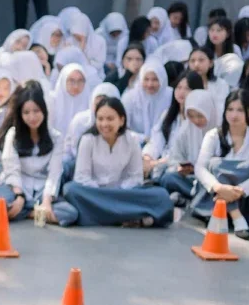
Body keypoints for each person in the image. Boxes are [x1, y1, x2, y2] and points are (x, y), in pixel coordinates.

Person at [0, 83, 78, 225]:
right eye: (26, 112)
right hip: (17, 186)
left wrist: (46, 201)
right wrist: (19, 196)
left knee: (70, 213)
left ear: (44, 110)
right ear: (20, 114)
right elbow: (12, 170)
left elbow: (54, 173)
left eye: (36, 111)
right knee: (0, 204)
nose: (32, 117)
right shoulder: (13, 134)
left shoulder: (55, 137)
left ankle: (29, 212)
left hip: (41, 189)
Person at [62, 96, 174, 227]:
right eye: (100, 119)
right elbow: (81, 177)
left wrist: (118, 190)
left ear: (121, 120)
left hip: (123, 193)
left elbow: (135, 177)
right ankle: (130, 216)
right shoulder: (88, 140)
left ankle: (104, 217)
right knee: (70, 190)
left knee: (161, 196)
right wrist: (101, 192)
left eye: (110, 119)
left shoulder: (132, 140)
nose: (104, 124)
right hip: (94, 193)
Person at [193, 90, 249, 239]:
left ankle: (233, 210)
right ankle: (236, 216)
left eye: (240, 110)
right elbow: (200, 167)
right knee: (215, 164)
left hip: (244, 198)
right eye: (230, 109)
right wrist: (218, 187)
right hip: (215, 194)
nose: (234, 115)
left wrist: (238, 191)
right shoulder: (213, 135)